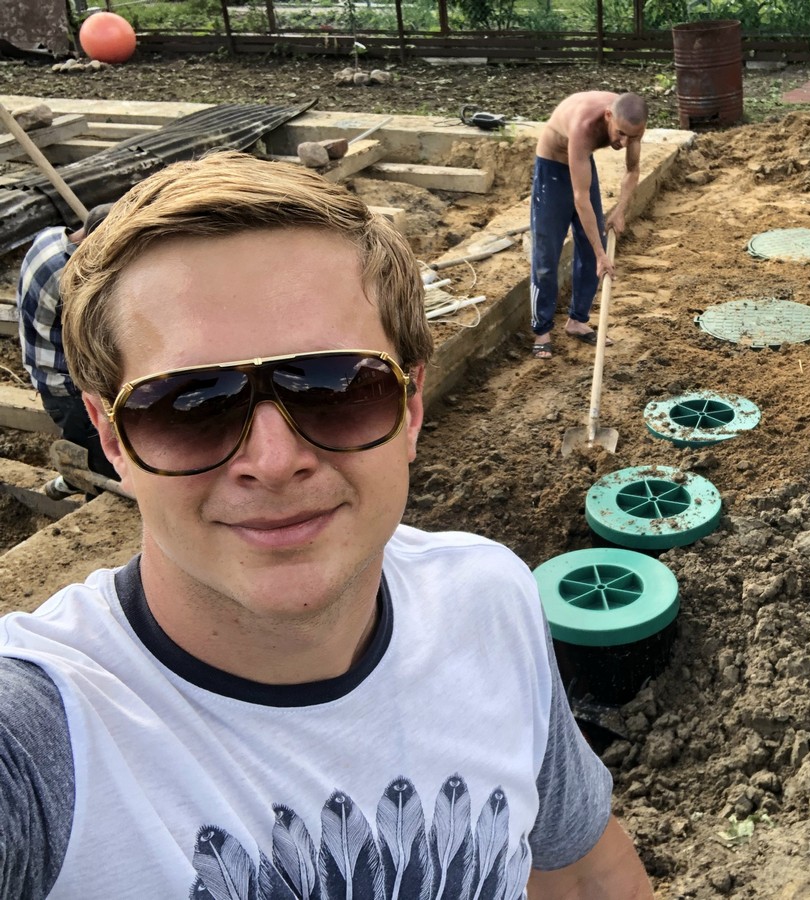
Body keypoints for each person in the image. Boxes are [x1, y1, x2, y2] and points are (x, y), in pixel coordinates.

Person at [0, 151, 653, 899]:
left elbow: (582, 873)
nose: (274, 462)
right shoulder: (43, 741)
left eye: (337, 388)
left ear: (411, 406)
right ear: (110, 436)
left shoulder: (491, 602)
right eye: (188, 404)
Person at [529, 91, 647, 359]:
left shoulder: (632, 124)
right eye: (620, 134)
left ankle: (577, 321)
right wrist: (601, 254)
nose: (624, 142)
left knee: (592, 245)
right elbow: (580, 198)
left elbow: (632, 170)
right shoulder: (584, 126)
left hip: (581, 162)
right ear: (608, 116)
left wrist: (620, 210)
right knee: (547, 253)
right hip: (552, 166)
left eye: (632, 137)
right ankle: (542, 330)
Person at [17, 203, 120, 497]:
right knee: (102, 458)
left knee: (82, 443)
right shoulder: (71, 281)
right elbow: (97, 345)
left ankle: (72, 479)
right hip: (65, 386)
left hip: (42, 360)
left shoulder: (49, 237)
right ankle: (92, 491)